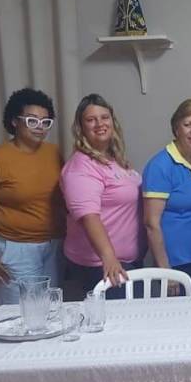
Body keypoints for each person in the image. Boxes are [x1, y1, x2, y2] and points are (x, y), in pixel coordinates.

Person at [0, 88, 64, 305]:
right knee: (20, 315)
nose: (40, 127)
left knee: (50, 312)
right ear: (15, 121)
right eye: (32, 120)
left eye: (45, 122)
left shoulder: (54, 153)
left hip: (53, 246)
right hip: (16, 249)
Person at [60, 94, 145, 298]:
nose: (100, 124)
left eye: (104, 117)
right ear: (81, 128)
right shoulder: (80, 166)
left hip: (128, 260)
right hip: (101, 265)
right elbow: (89, 216)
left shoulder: (115, 159)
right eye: (91, 120)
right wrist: (109, 257)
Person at [142, 98, 191, 295]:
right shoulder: (160, 166)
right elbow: (151, 224)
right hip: (177, 264)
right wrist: (166, 270)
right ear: (177, 128)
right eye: (188, 124)